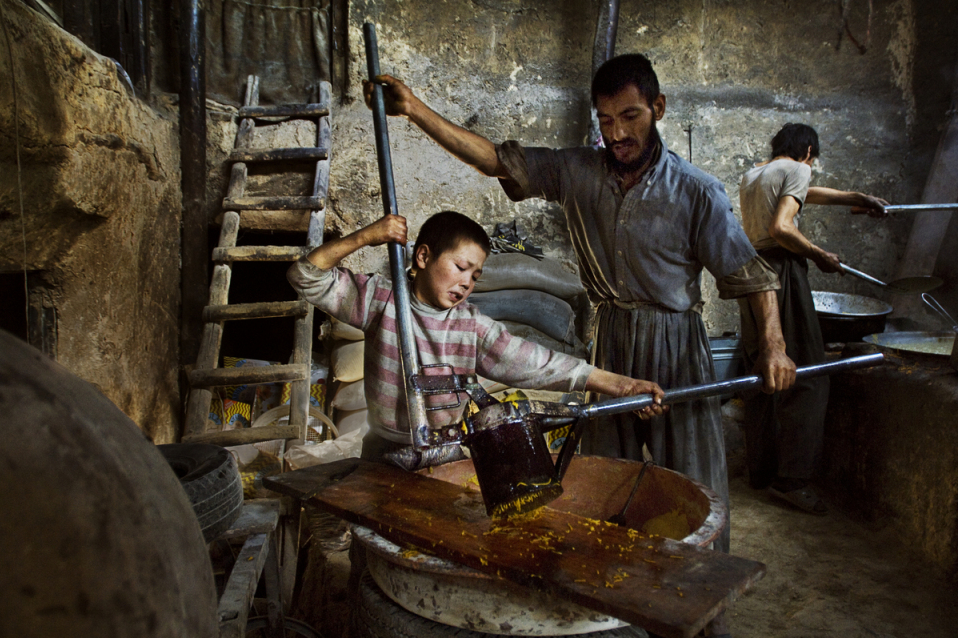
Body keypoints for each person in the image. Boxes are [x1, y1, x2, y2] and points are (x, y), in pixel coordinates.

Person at [362, 53, 796, 554]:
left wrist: (774, 346)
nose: (617, 134)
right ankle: (613, 603)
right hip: (611, 335)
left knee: (695, 479)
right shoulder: (576, 171)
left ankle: (702, 598)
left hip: (677, 342)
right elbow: (494, 160)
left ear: (657, 108)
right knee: (606, 476)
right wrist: (414, 108)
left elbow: (751, 276)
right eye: (606, 121)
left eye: (630, 117)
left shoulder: (697, 192)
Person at [287, 210, 666, 468]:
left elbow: (538, 363)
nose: (467, 282)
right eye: (460, 267)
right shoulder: (382, 301)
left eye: (476, 275)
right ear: (422, 257)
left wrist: (621, 385)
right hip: (385, 450)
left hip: (447, 453)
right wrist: (367, 235)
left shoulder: (472, 326)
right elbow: (305, 276)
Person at [738, 123, 887, 514]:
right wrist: (819, 254)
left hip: (752, 273)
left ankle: (763, 472)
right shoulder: (799, 169)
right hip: (783, 270)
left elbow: (807, 195)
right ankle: (793, 480)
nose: (812, 167)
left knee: (762, 372)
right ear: (807, 150)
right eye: (813, 159)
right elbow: (782, 227)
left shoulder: (755, 173)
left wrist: (857, 197)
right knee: (807, 374)